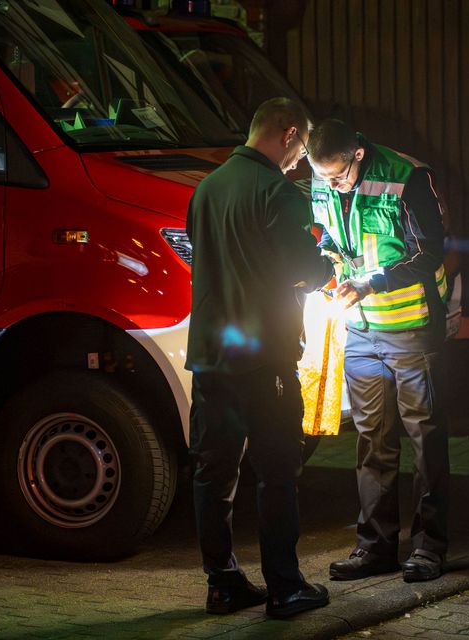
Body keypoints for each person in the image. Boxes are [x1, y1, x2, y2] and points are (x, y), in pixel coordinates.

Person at [185, 97, 334, 617]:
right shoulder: (278, 191)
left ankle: (222, 583)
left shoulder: (206, 188)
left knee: (214, 472)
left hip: (210, 356)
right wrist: (327, 268)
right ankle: (285, 587)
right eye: (302, 147)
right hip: (265, 358)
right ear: (289, 134)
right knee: (277, 471)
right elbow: (301, 266)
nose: (300, 160)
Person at [306, 119, 452, 583]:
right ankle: (375, 547)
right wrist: (328, 265)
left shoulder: (407, 177)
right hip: (360, 330)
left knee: (425, 439)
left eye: (337, 176)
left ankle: (429, 548)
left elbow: (429, 252)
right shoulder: (322, 177)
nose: (330, 185)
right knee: (372, 441)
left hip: (411, 329)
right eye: (323, 178)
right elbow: (328, 236)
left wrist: (370, 283)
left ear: (358, 154)